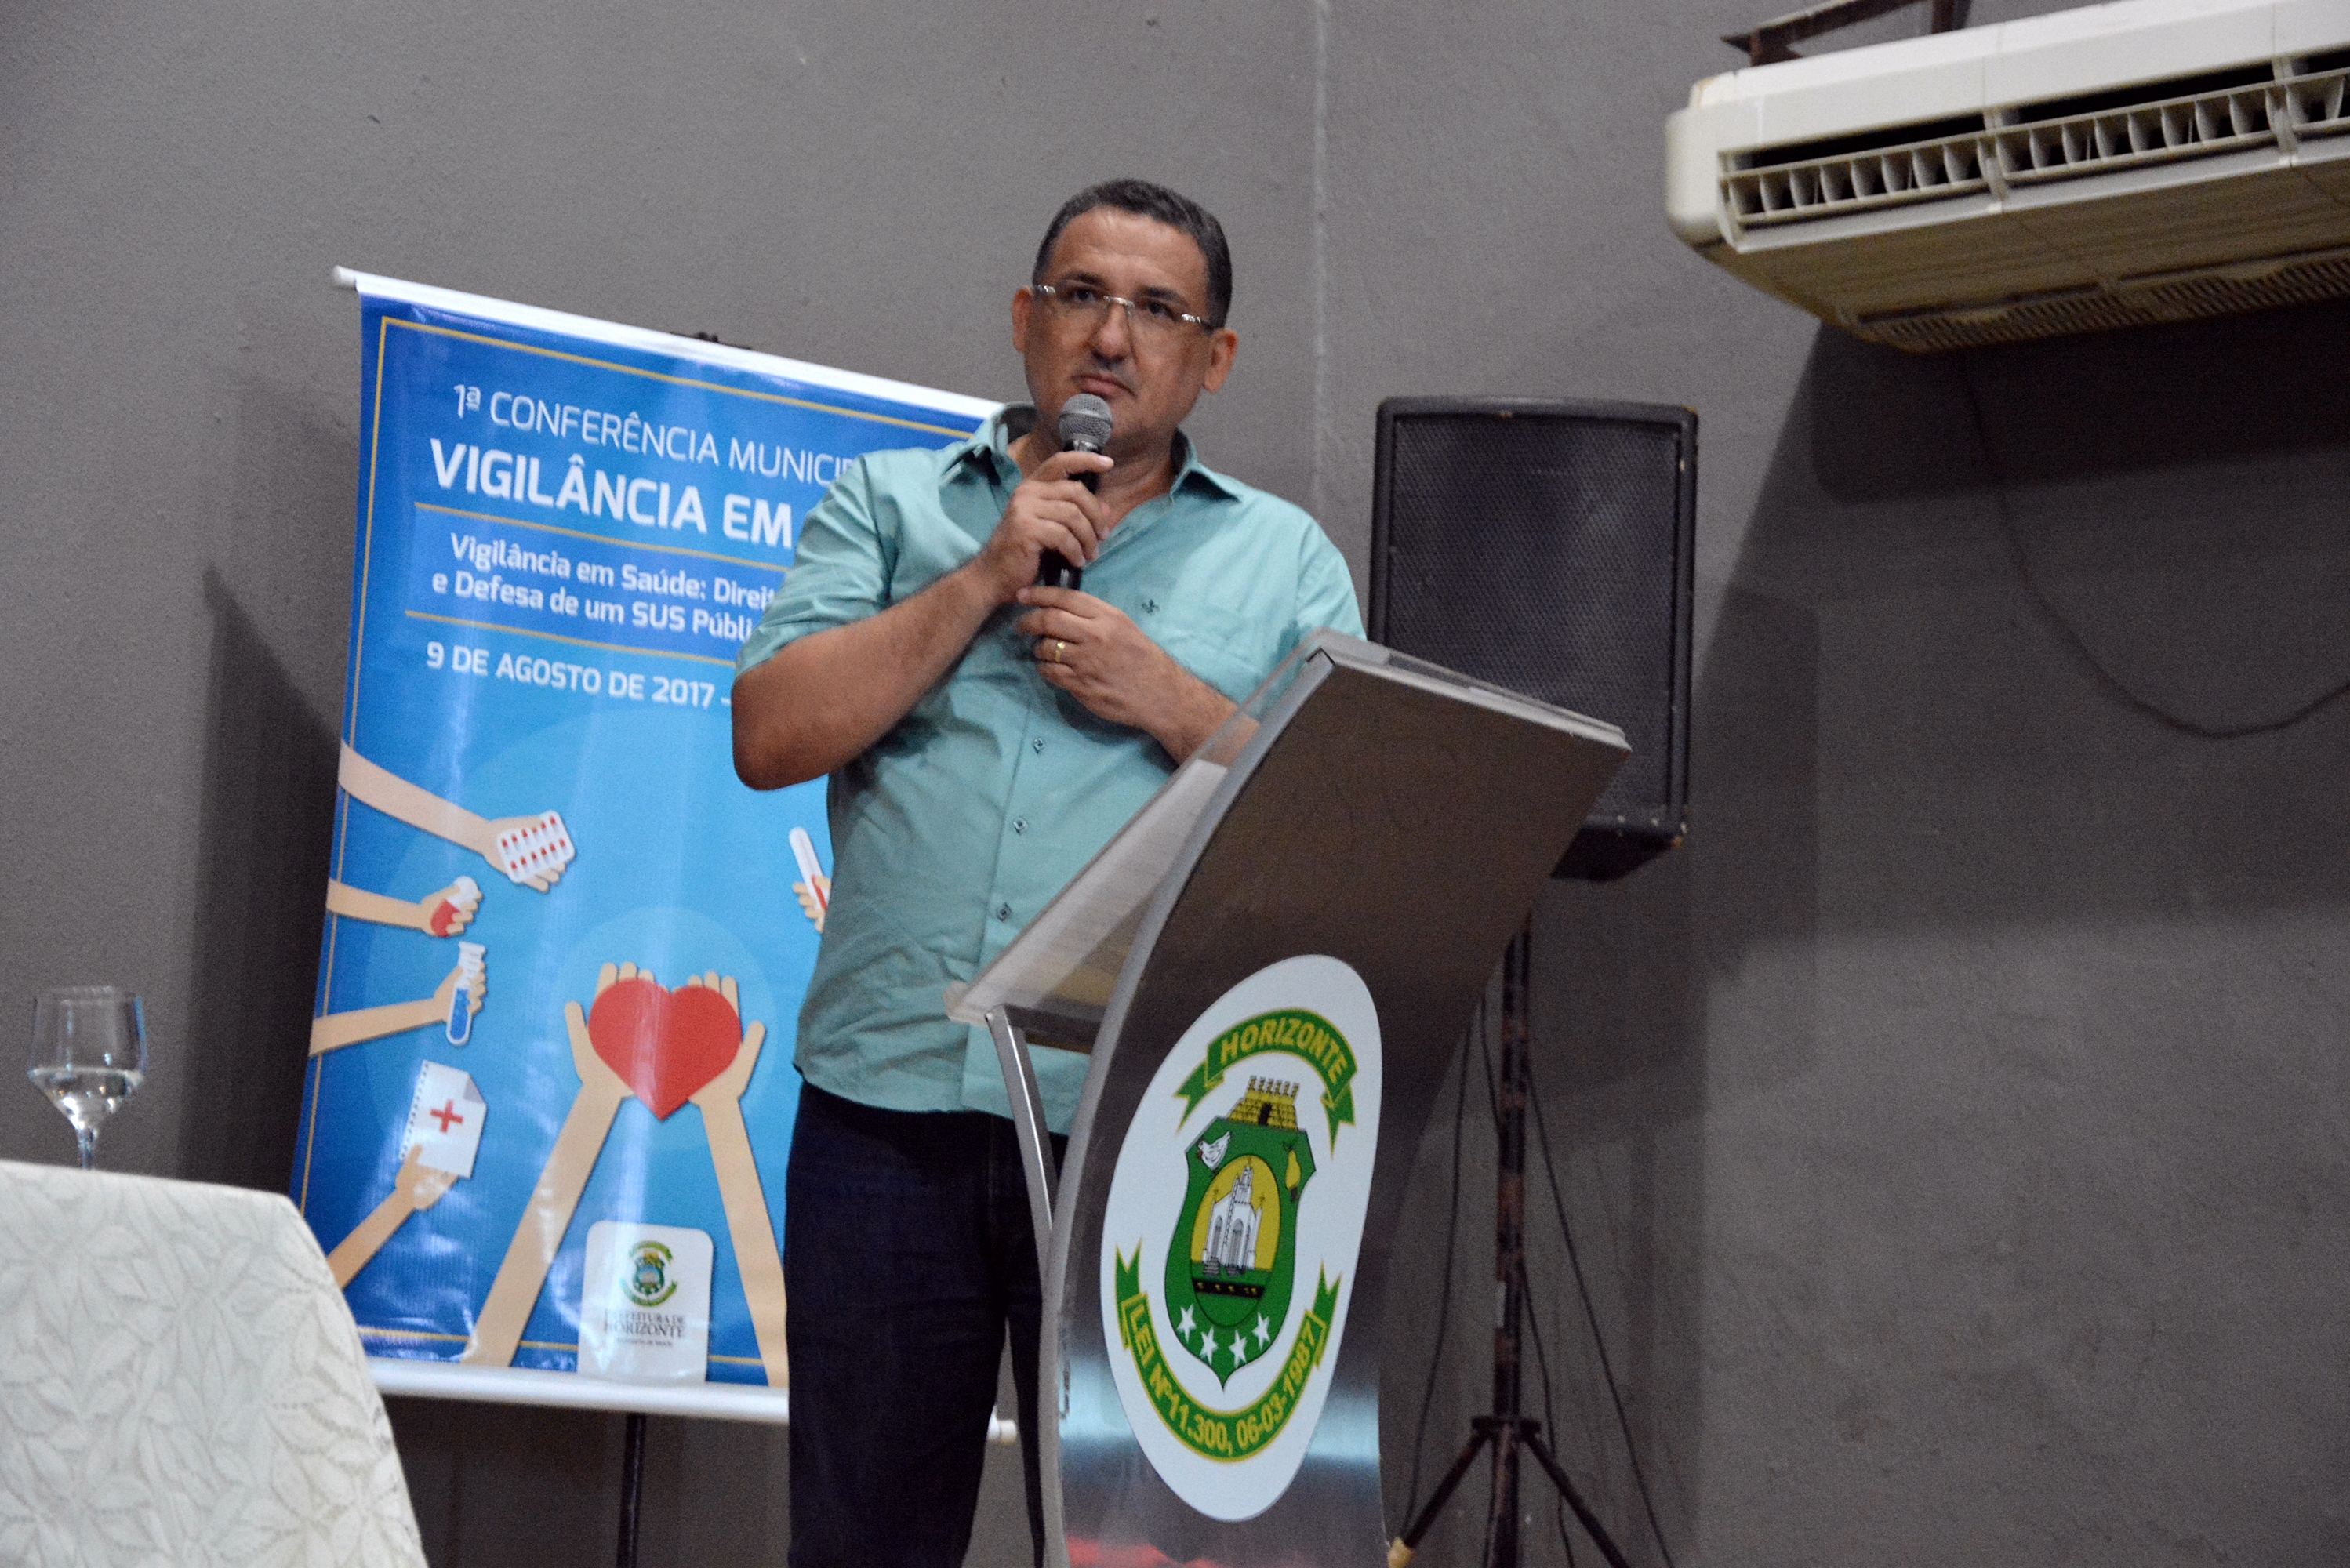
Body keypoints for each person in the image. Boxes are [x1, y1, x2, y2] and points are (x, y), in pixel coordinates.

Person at [730, 179, 1361, 1566]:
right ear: (1025, 319)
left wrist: (1171, 700)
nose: (1111, 336)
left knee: (1126, 1550)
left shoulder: (1282, 559)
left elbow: (1337, 840)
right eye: (1081, 296)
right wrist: (982, 578)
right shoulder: (891, 505)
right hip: (885, 1115)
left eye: (1157, 310)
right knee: (859, 1542)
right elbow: (768, 738)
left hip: (1146, 1134)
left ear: (1215, 356)